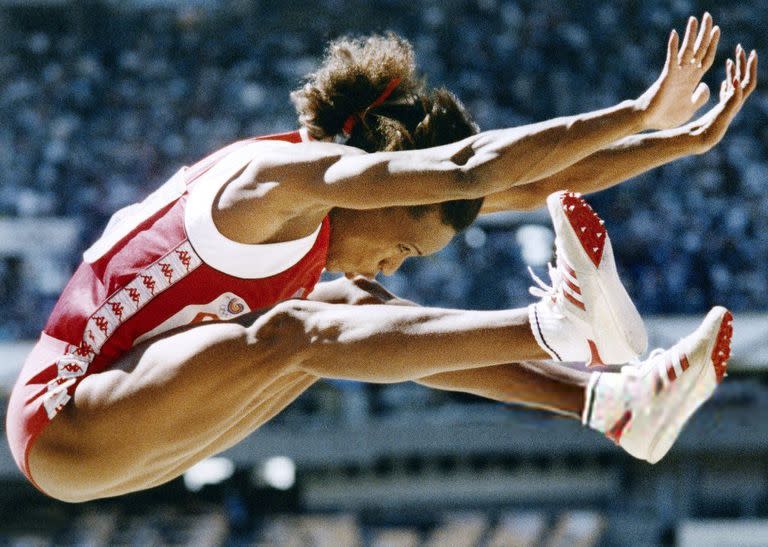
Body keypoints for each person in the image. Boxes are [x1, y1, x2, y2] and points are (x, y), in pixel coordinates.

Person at [5, 13, 755, 502]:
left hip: (142, 427)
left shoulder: (335, 216)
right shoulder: (277, 180)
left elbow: (532, 185)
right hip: (67, 420)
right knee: (300, 327)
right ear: (384, 182)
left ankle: (611, 403)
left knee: (356, 309)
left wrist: (679, 143)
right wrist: (635, 110)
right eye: (403, 244)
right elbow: (467, 171)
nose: (395, 263)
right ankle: (553, 328)